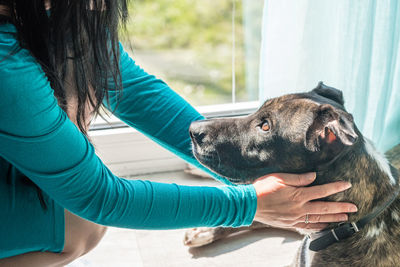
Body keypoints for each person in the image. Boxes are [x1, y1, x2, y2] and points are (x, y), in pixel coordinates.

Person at [0, 1, 357, 266]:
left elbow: (131, 87)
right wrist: (249, 205)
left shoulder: (53, 12)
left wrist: (227, 157)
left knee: (70, 202)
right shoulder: (6, 64)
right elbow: (100, 198)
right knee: (78, 219)